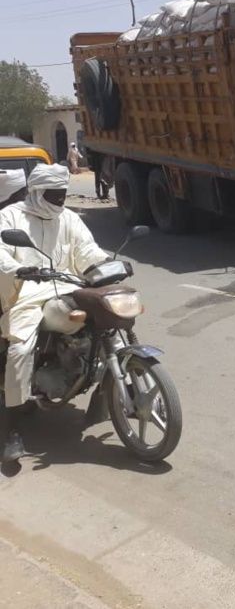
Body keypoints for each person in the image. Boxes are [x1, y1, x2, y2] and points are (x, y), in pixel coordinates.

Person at [0, 164, 108, 462]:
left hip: (68, 287)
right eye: (55, 194)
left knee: (106, 322)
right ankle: (12, 431)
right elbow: (0, 254)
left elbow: (86, 249)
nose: (61, 199)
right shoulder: (10, 217)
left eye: (63, 193)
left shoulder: (68, 218)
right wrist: (18, 269)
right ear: (37, 192)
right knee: (20, 350)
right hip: (27, 294)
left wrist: (104, 266)